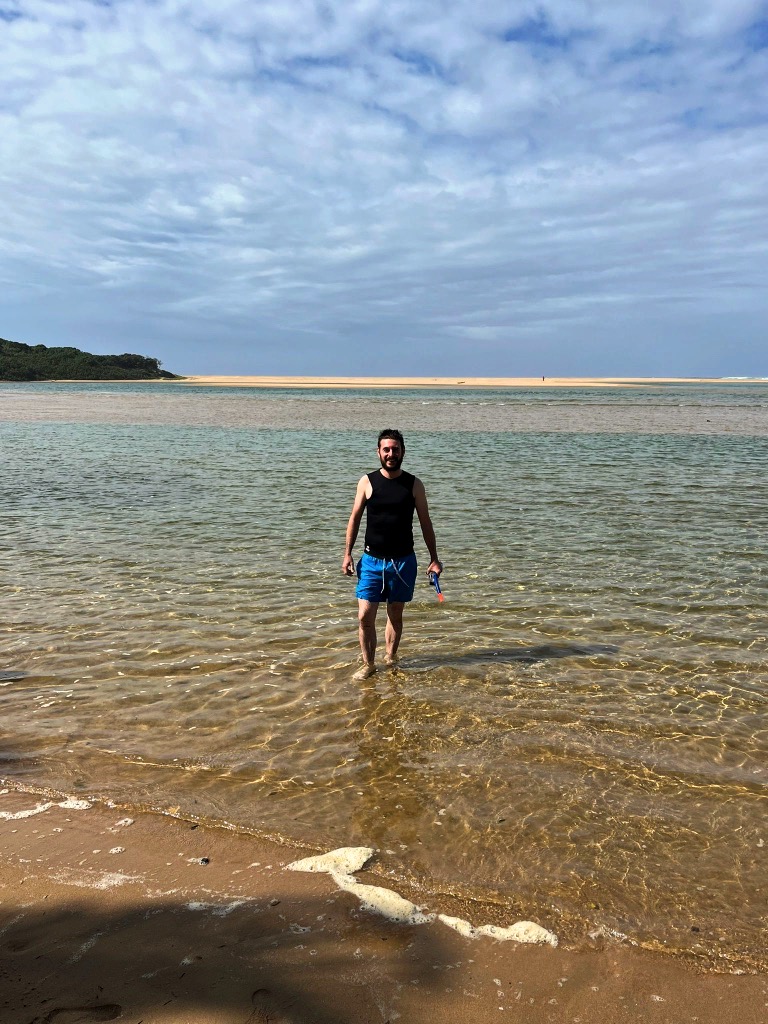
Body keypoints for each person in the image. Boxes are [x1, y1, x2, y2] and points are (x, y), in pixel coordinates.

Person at [342, 429, 442, 679]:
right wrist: (347, 554)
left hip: (403, 562)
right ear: (378, 452)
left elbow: (425, 522)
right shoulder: (367, 482)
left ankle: (390, 659)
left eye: (395, 449)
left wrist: (434, 558)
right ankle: (368, 665)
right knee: (365, 615)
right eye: (386, 449)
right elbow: (354, 518)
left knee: (395, 614)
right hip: (371, 561)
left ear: (403, 452)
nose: (390, 454)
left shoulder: (414, 484)